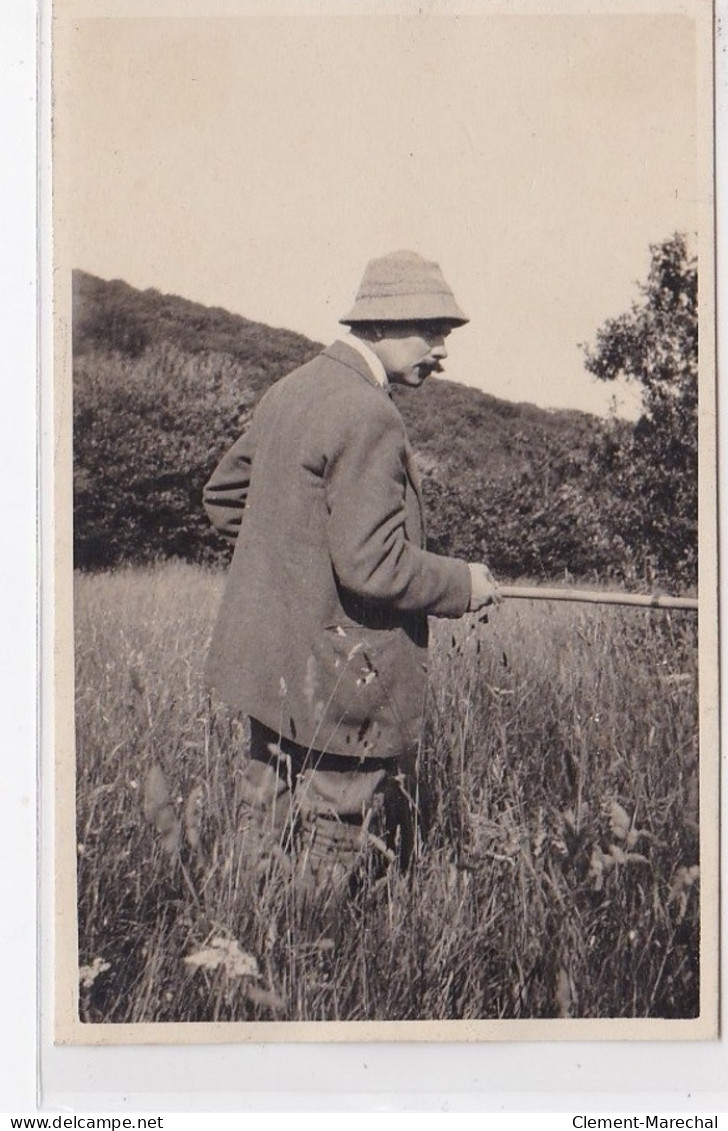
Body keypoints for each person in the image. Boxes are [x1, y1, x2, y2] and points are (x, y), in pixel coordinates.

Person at [203, 250, 499, 895]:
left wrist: (298, 573)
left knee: (262, 819)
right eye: (434, 331)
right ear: (385, 326)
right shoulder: (369, 413)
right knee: (333, 831)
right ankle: (305, 973)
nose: (444, 349)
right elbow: (376, 566)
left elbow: (226, 498)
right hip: (342, 674)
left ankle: (238, 952)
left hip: (272, 667)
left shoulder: (293, 388)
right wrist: (464, 585)